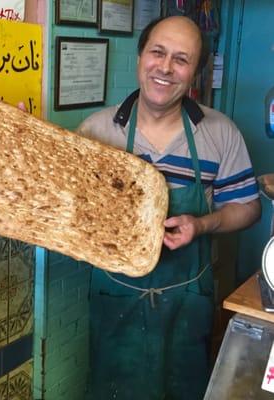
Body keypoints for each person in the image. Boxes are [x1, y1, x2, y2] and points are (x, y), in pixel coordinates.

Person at [77, 16, 261, 400]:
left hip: (186, 304)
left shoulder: (220, 133)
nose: (165, 67)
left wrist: (203, 224)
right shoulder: (97, 132)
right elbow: (67, 211)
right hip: (115, 302)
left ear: (195, 72)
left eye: (182, 59)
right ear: (141, 55)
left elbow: (248, 208)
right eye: (158, 52)